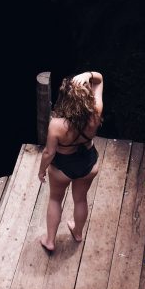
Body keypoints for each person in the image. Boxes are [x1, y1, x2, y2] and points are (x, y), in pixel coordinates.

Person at [38, 71, 103, 253]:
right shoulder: (96, 112)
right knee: (81, 199)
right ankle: (78, 232)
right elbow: (99, 80)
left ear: (65, 99)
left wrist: (42, 171)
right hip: (88, 164)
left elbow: (49, 152)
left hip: (62, 168)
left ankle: (50, 241)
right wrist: (88, 74)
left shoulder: (57, 125)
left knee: (55, 199)